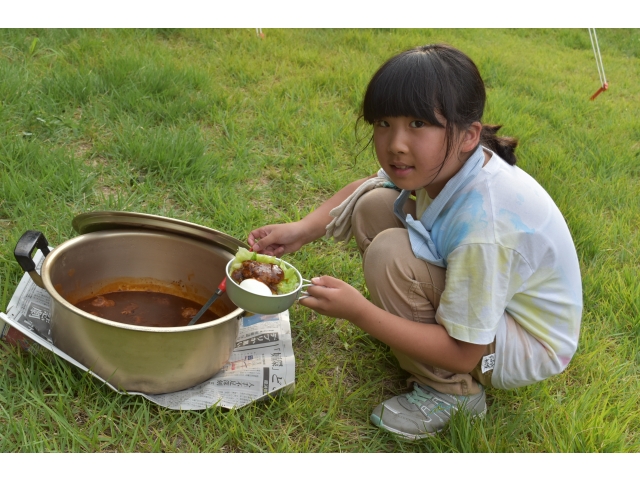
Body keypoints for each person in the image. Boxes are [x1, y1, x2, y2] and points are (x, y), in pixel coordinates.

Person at [247, 44, 582, 440]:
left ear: (468, 135)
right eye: (384, 123)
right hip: (495, 309)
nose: (396, 143)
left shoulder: (487, 228)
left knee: (390, 255)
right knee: (373, 205)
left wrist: (360, 312)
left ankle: (452, 392)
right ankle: (418, 338)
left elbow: (465, 352)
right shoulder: (450, 163)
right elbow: (368, 186)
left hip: (520, 345)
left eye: (419, 123)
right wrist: (301, 229)